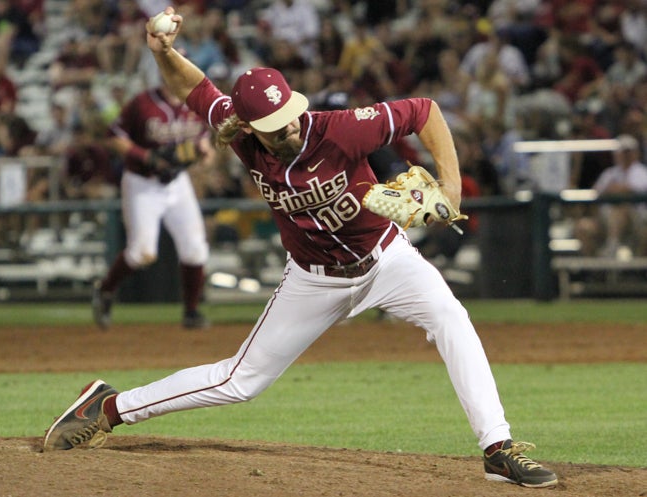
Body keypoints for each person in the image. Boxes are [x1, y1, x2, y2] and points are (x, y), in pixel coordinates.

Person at [44, 7, 558, 489]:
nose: (287, 126)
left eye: (288, 115)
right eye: (272, 126)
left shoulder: (340, 129)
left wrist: (450, 188)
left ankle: (497, 447)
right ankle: (109, 409)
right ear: (247, 127)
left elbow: (424, 111)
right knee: (241, 381)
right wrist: (161, 51)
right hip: (313, 279)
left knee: (450, 317)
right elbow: (195, 88)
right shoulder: (240, 133)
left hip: (386, 258)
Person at [91, 79, 214, 330]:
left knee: (195, 249)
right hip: (143, 182)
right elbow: (113, 137)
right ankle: (105, 290)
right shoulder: (142, 103)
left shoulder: (195, 104)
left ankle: (191, 312)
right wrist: (146, 156)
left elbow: (205, 147)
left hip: (177, 182)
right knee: (141, 253)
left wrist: (203, 154)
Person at [574, 133, 647, 257]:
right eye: (622, 152)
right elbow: (596, 192)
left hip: (636, 222)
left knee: (620, 209)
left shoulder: (641, 171)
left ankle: (612, 246)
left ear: (636, 153)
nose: (625, 155)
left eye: (628, 152)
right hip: (605, 221)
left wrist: (614, 190)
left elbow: (628, 190)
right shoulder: (609, 173)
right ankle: (595, 272)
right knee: (584, 227)